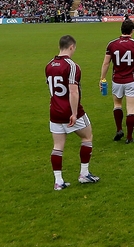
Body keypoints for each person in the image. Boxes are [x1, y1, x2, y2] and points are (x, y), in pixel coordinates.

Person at [45, 35, 99, 190]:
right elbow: (73, 92)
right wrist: (74, 113)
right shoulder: (72, 66)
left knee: (58, 146)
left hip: (54, 111)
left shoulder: (49, 65)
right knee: (87, 137)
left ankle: (58, 181)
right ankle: (84, 174)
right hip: (69, 111)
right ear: (71, 47)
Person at [99, 20, 134, 144]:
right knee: (130, 108)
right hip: (131, 80)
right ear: (132, 31)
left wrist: (102, 78)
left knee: (117, 105)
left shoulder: (112, 44)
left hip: (117, 79)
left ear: (121, 29)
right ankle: (129, 137)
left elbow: (106, 63)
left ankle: (119, 129)